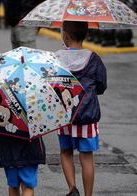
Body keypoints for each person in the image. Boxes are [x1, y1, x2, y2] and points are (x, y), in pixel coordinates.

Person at [55, 21, 107, 196]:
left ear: (65, 36)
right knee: (86, 157)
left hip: (64, 115)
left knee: (66, 152)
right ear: (86, 35)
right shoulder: (94, 58)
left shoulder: (56, 58)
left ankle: (72, 189)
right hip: (87, 116)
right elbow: (101, 86)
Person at [0, 95, 46, 196]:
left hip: (6, 145)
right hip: (29, 145)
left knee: (13, 185)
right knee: (28, 186)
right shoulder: (34, 91)